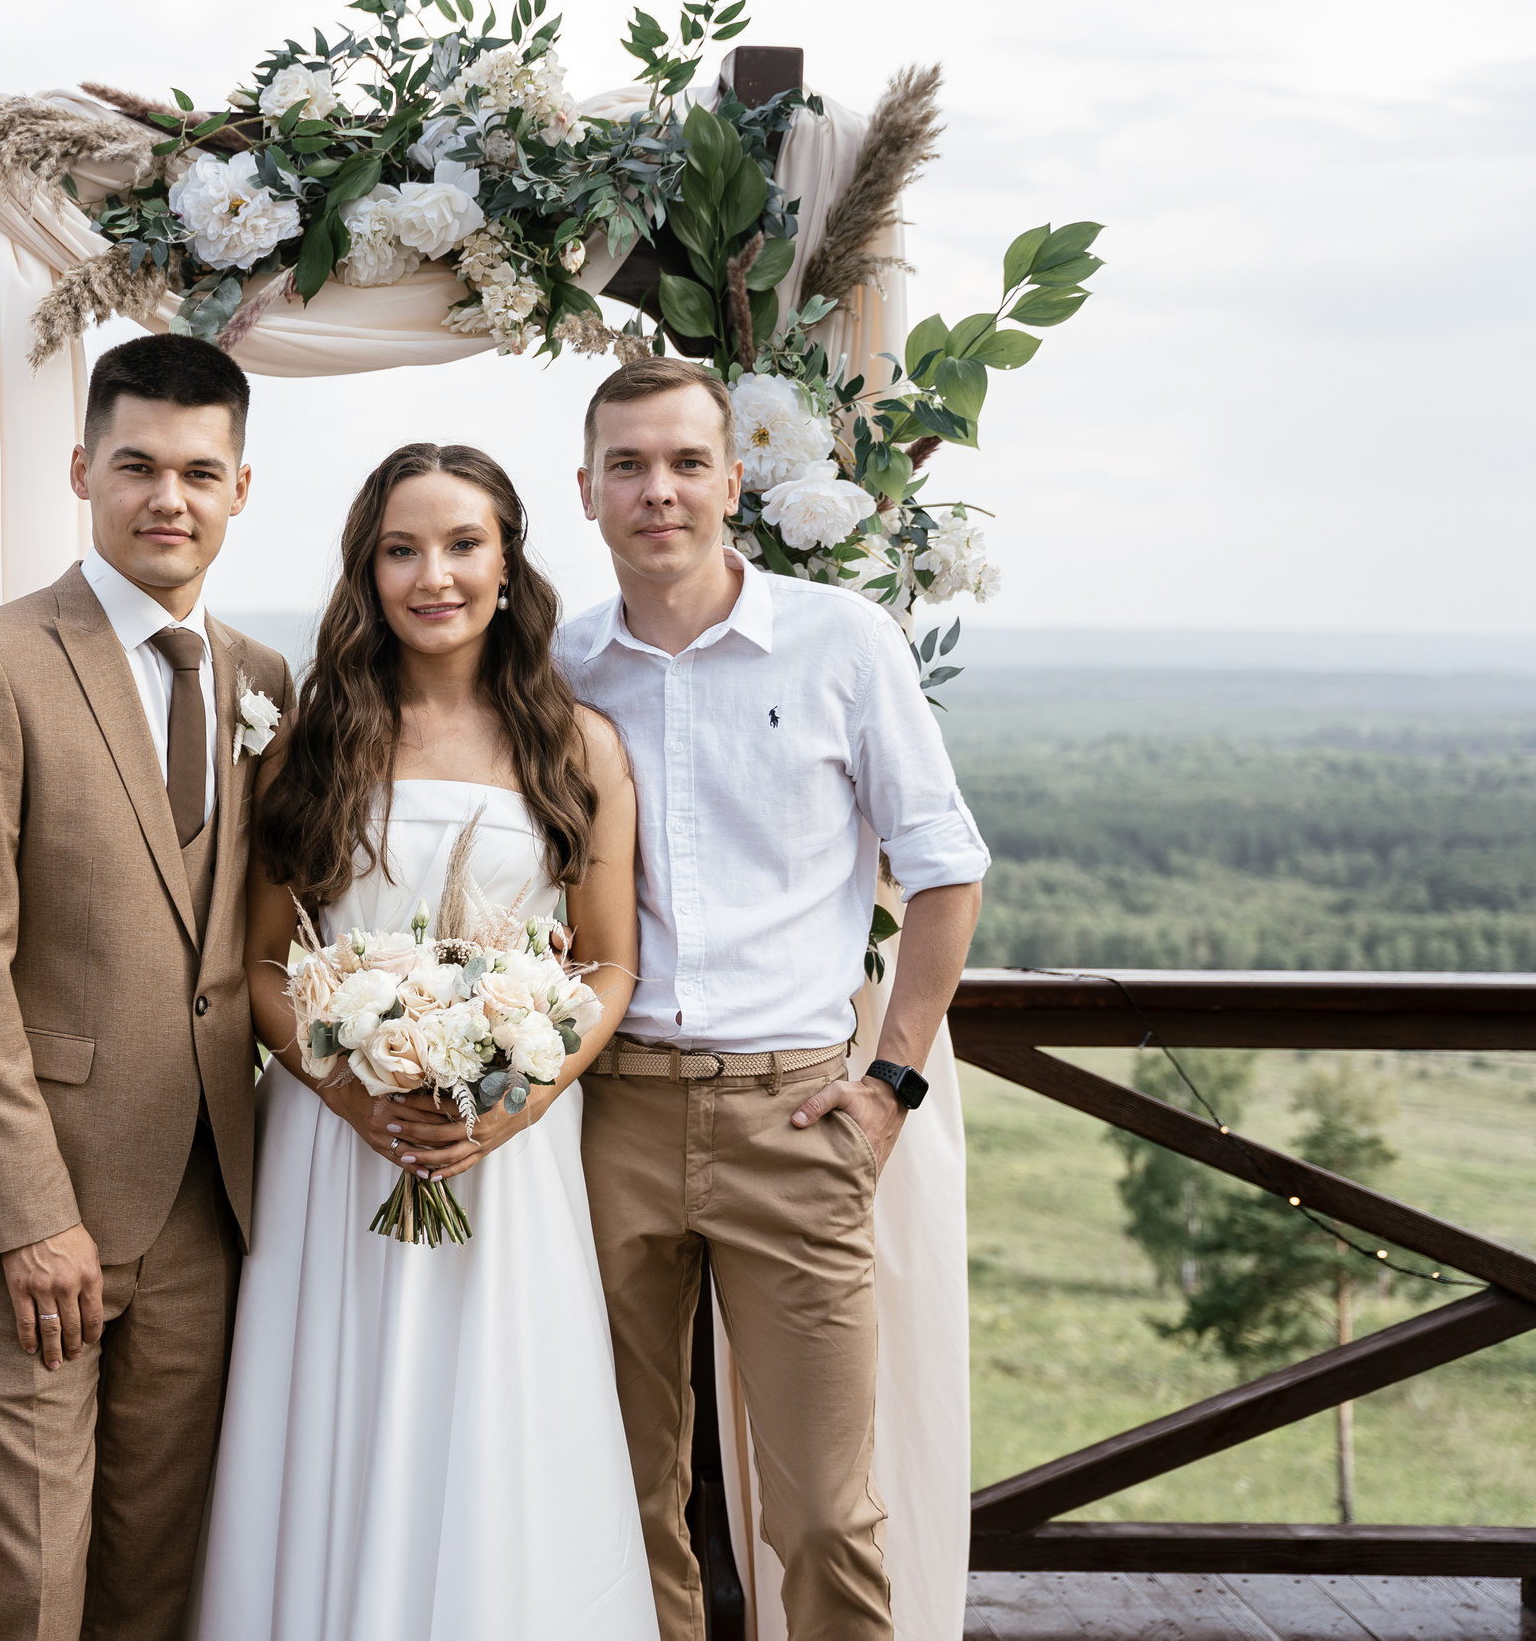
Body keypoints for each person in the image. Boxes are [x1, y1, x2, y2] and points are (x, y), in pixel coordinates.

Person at [555, 357, 988, 1641]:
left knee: (823, 1514)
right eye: (628, 466)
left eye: (686, 462)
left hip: (793, 1119)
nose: (659, 491)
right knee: (619, 1499)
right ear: (586, 490)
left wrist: (890, 1082)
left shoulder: (841, 641)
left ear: (734, 482)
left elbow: (946, 868)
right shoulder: (559, 664)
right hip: (606, 1118)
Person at [191, 442, 655, 1639]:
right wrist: (353, 1096)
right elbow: (260, 963)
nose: (431, 575)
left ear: (507, 564)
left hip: (509, 1151)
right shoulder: (309, 741)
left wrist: (521, 1099)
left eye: (460, 546)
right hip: (334, 1146)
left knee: (499, 1423)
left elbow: (608, 964)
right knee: (331, 1414)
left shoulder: (579, 746)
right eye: (401, 550)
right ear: (368, 570)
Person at [0, 335, 295, 1641]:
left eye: (199, 472)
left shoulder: (262, 680)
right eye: (136, 466)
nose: (166, 497)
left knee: (156, 1575)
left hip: (208, 1202)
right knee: (24, 1583)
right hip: (41, 1203)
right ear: (82, 471)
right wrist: (26, 1213)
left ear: (241, 488)